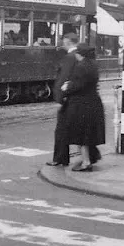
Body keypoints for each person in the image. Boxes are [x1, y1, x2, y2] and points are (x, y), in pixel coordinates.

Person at [60, 43, 105, 172]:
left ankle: (86, 162)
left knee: (81, 135)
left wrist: (67, 87)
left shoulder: (81, 66)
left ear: (80, 54)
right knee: (86, 134)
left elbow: (78, 85)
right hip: (93, 103)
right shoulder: (93, 65)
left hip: (81, 105)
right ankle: (89, 158)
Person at [46, 32, 79, 167]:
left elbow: (63, 79)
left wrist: (59, 99)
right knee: (79, 130)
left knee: (61, 130)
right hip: (77, 98)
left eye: (63, 41)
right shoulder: (80, 56)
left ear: (67, 41)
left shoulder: (70, 57)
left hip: (68, 99)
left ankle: (60, 158)